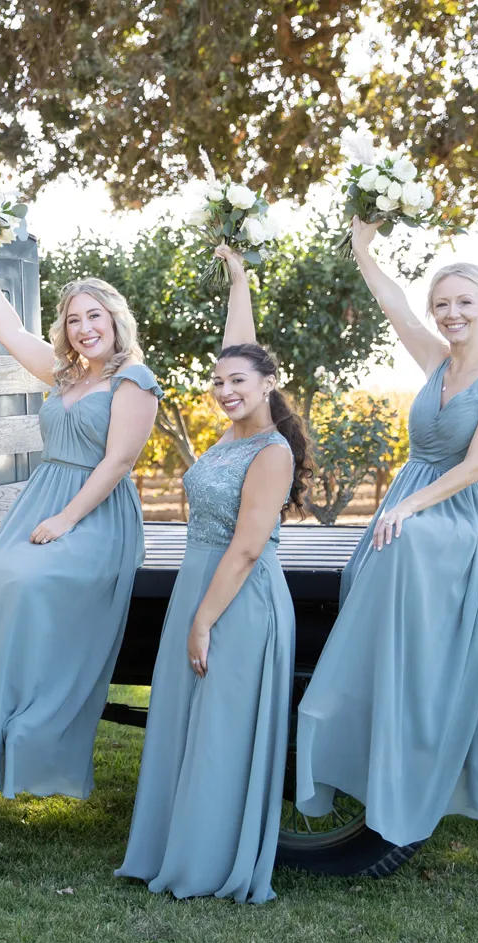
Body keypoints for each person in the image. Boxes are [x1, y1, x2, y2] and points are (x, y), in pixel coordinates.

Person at [294, 218, 478, 848]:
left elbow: (477, 465)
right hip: (413, 498)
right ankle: (358, 711)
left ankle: (418, 715)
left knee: (410, 545)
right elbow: (392, 303)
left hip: (466, 510)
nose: (452, 314)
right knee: (377, 558)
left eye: (464, 303)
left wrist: (410, 508)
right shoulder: (433, 360)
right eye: (443, 304)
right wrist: (362, 245)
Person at [115, 246, 306, 903]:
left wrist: (202, 619)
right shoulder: (229, 434)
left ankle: (209, 863)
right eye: (219, 381)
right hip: (201, 585)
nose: (227, 390)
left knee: (222, 729)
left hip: (238, 601)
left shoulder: (272, 451)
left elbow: (249, 547)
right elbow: (241, 345)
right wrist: (238, 277)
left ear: (269, 385)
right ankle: (172, 847)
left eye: (239, 383)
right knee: (188, 724)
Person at [0, 240, 161, 799]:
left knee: (33, 579)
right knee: (0, 575)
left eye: (95, 316)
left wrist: (68, 519)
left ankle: (35, 735)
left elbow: (119, 461)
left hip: (95, 510)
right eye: (74, 320)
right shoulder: (65, 375)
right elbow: (12, 331)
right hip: (43, 499)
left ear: (116, 320)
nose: (85, 327)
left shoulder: (133, 380)